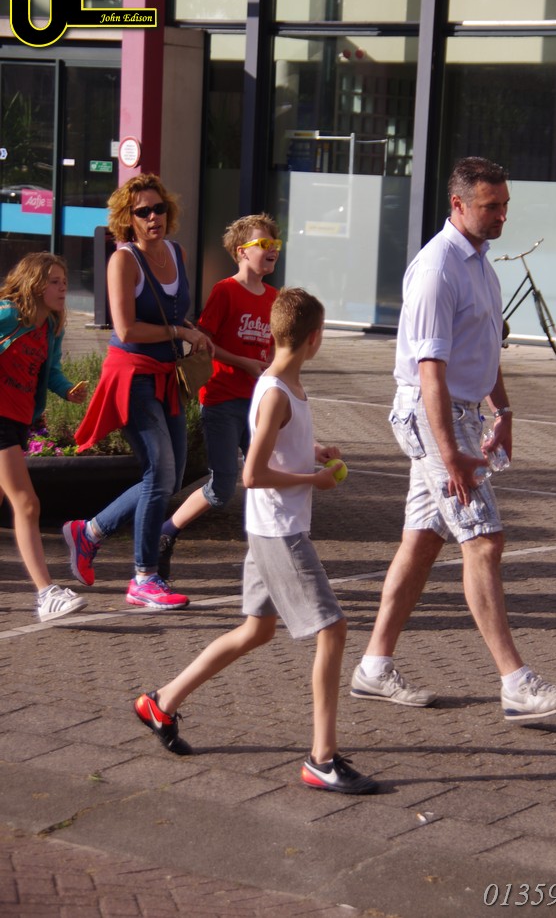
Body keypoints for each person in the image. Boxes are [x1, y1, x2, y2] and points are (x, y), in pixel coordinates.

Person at [350, 156, 556, 723]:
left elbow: (485, 347)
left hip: (461, 414)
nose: (502, 215)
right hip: (433, 414)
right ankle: (516, 684)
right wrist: (449, 450)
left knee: (423, 541)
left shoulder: (481, 263)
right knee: (483, 540)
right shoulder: (437, 269)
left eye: (504, 205)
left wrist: (502, 410)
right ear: (458, 205)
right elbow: (429, 369)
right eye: (490, 206)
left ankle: (373, 668)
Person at [134, 287, 378, 795]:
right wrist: (315, 480)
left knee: (256, 631)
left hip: (271, 530)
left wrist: (314, 450)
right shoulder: (276, 391)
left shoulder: (282, 383)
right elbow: (252, 474)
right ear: (315, 338)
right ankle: (321, 759)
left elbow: (277, 443)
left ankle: (161, 701)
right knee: (333, 629)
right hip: (279, 533)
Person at [62, 173, 213, 610]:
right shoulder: (123, 260)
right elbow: (126, 328)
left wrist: (193, 332)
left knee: (171, 474)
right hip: (132, 376)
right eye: (142, 211)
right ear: (128, 219)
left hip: (168, 375)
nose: (153, 217)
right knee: (160, 472)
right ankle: (144, 578)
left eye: (158, 208)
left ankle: (89, 532)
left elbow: (174, 313)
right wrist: (180, 331)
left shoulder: (177, 252)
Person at [157, 213, 280, 580]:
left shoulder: (274, 297)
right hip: (223, 401)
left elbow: (274, 351)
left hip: (258, 402)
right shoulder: (225, 291)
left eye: (275, 244)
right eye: (264, 244)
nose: (272, 250)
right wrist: (243, 362)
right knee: (223, 487)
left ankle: (273, 553)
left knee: (267, 477)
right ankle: (166, 532)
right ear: (241, 251)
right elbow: (204, 343)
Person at [0, 252, 88, 622]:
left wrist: (67, 390)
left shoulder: (51, 326)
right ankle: (46, 593)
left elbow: (50, 371)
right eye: (54, 281)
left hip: (18, 420)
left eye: (64, 281)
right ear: (34, 284)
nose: (63, 287)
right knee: (27, 504)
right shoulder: (8, 314)